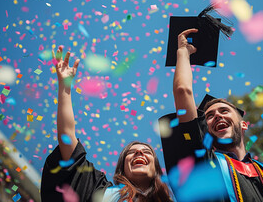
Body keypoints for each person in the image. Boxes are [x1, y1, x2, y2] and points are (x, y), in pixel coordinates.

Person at [160, 28, 263, 202]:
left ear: (243, 124)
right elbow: (183, 91)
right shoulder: (204, 164)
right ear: (205, 130)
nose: (217, 116)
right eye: (209, 116)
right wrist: (183, 52)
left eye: (224, 111)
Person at [41, 46, 173, 202]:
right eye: (131, 152)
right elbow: (68, 138)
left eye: (147, 151)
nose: (139, 153)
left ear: (157, 169)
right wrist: (65, 86)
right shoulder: (99, 189)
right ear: (122, 169)